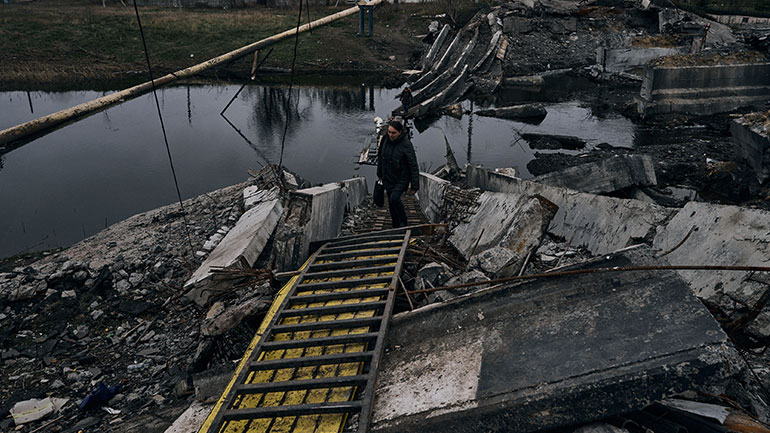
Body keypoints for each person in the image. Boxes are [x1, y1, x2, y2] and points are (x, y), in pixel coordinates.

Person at [377, 120, 419, 228]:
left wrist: (415, 185)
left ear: (400, 132)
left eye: (393, 133)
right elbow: (380, 157)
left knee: (394, 199)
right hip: (388, 175)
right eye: (389, 132)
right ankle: (395, 224)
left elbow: (413, 165)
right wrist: (379, 173)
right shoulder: (385, 139)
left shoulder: (406, 144)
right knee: (391, 203)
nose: (390, 135)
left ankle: (404, 222)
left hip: (402, 178)